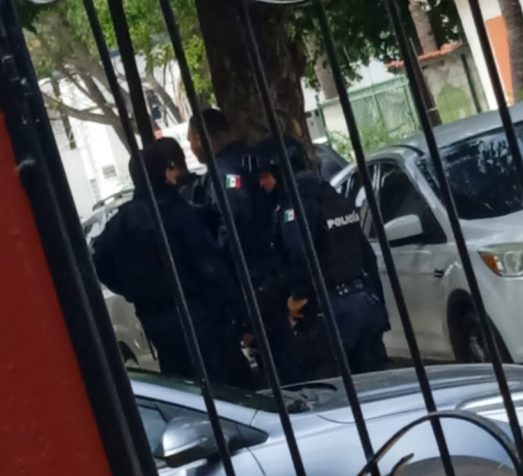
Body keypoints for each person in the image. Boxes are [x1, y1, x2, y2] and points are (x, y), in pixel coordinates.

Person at [92, 139, 253, 388]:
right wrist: (241, 314)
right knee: (230, 389)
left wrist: (132, 289)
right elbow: (211, 269)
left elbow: (99, 262)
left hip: (156, 323)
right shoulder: (178, 214)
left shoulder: (120, 223)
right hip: (201, 319)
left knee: (185, 389)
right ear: (166, 172)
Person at [254, 138, 390, 376]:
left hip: (331, 313)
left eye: (266, 175)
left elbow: (299, 256)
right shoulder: (334, 197)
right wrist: (378, 304)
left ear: (281, 171)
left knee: (333, 388)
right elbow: (367, 255)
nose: (262, 183)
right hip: (364, 303)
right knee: (377, 382)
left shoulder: (295, 206)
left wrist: (297, 297)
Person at [187, 110, 302, 383]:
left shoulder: (224, 172)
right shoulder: (252, 159)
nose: (191, 148)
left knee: (279, 365)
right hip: (280, 272)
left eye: (190, 141)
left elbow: (234, 225)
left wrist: (221, 268)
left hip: (256, 281)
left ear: (201, 139)